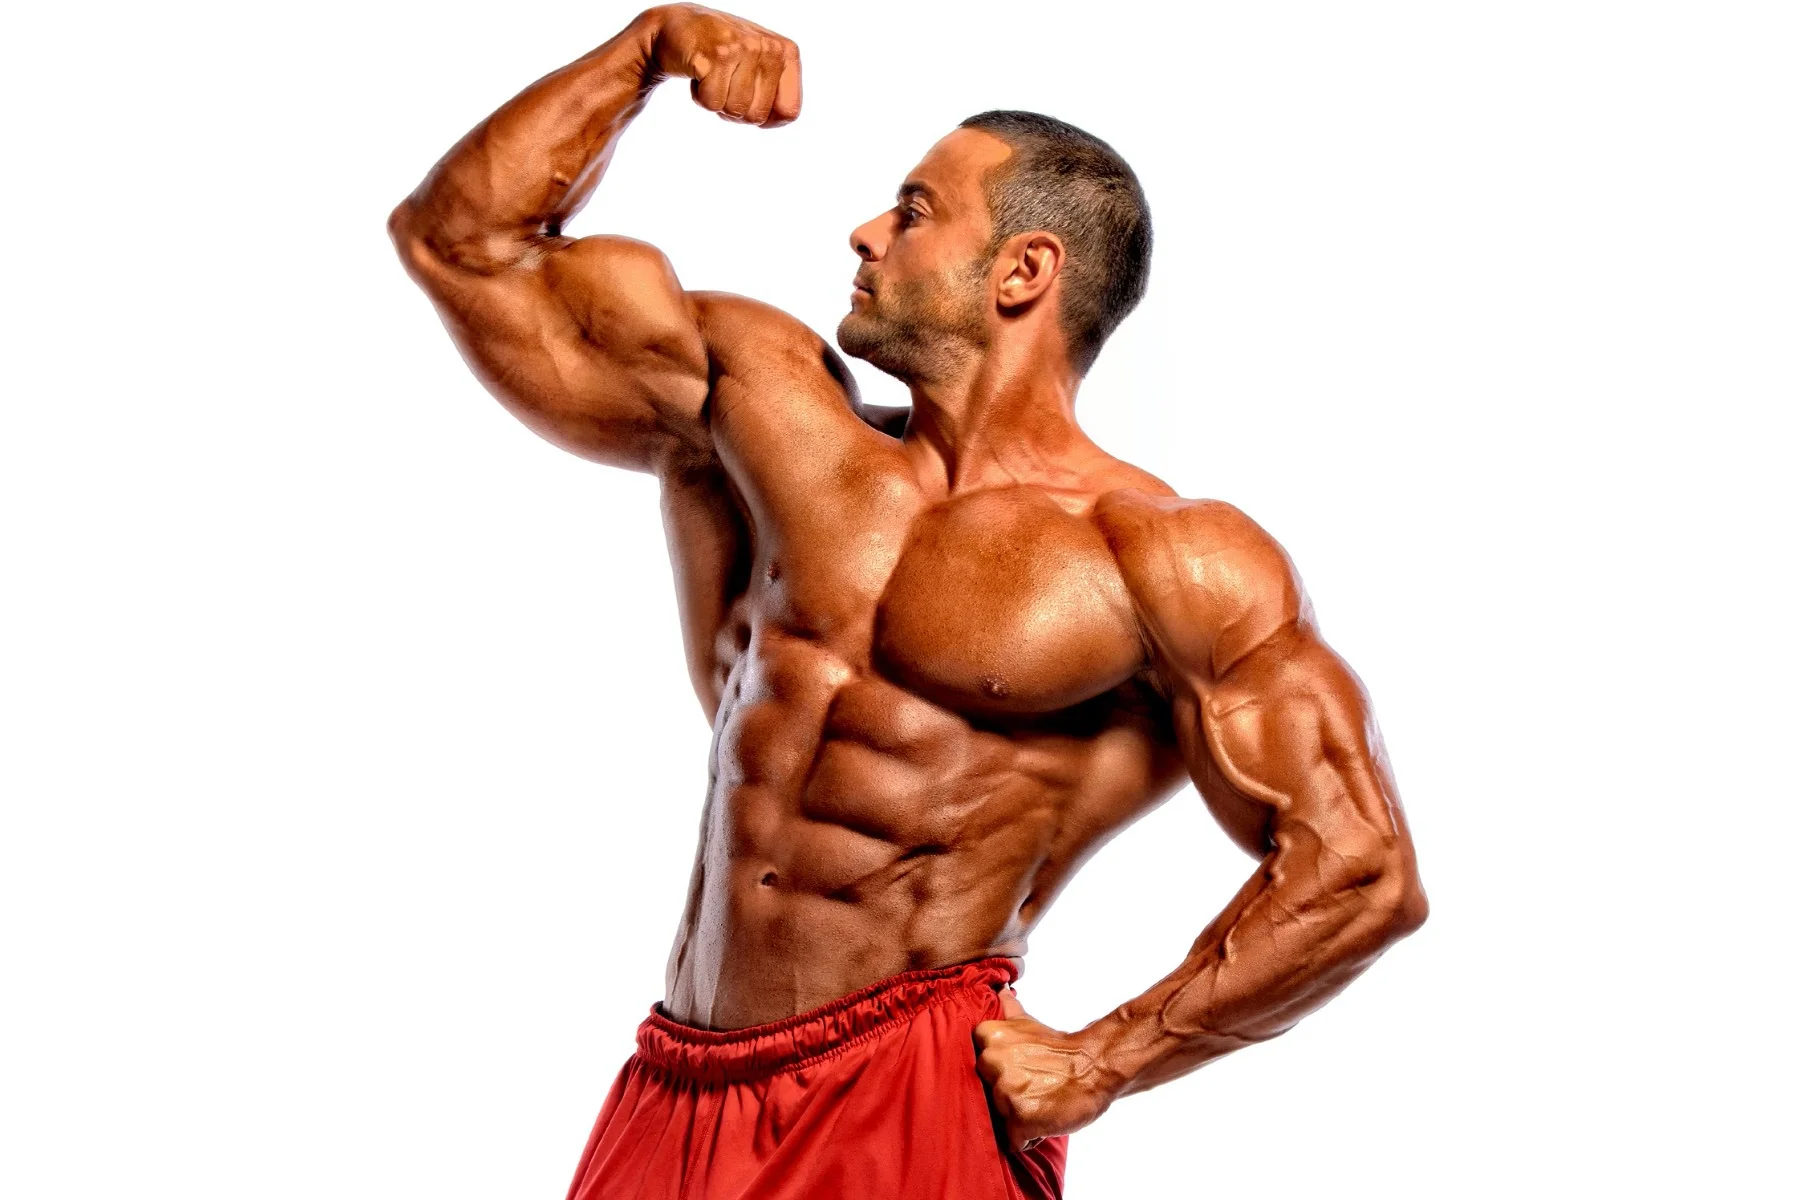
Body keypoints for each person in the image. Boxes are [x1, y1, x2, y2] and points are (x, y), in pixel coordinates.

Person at [389, 5, 1427, 1196]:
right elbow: (462, 243)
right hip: (677, 1080)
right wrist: (648, 50)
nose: (867, 232)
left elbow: (1359, 867)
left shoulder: (1162, 556)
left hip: (905, 1078)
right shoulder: (763, 410)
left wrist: (1105, 1059)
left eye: (916, 211)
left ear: (1025, 271)